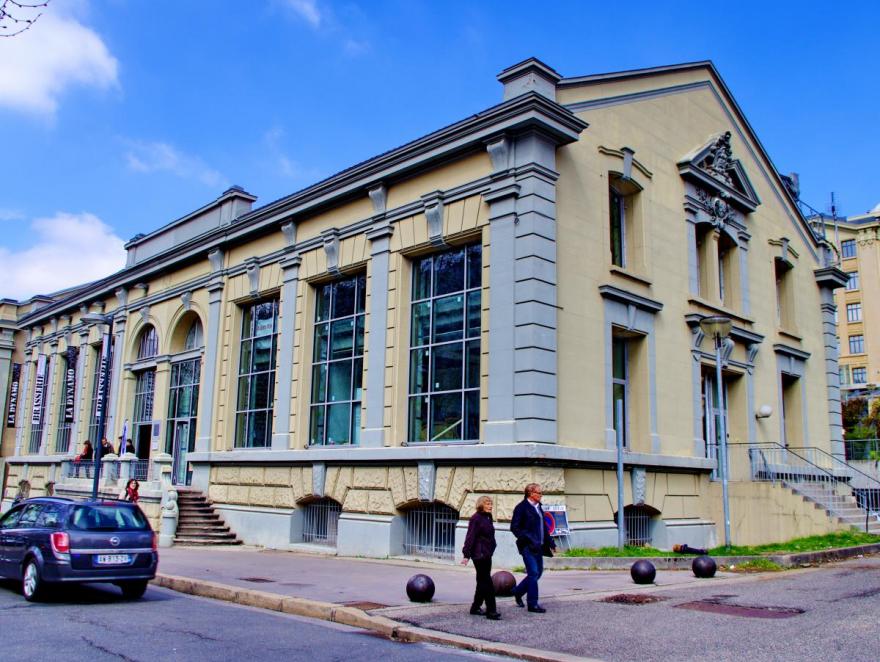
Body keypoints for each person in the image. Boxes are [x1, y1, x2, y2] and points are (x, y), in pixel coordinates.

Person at [510, 483, 556, 613]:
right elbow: (514, 527)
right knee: (533, 573)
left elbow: (544, 527)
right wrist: (527, 538)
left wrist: (551, 543)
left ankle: (517, 592)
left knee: (538, 573)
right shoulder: (521, 507)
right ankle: (532, 604)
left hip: (539, 546)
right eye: (539, 493)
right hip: (527, 546)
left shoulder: (538, 507)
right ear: (530, 493)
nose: (541, 495)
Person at [461, 495, 500, 620]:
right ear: (481, 505)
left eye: (491, 504)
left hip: (487, 553)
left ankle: (475, 607)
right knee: (487, 582)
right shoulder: (476, 518)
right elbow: (470, 536)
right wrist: (466, 554)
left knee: (481, 581)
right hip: (479, 554)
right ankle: (491, 611)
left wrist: (492, 547)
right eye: (487, 504)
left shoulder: (488, 517)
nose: (490, 506)